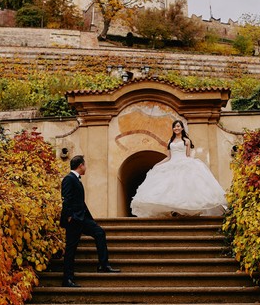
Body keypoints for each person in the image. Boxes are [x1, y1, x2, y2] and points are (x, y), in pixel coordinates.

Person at [130, 120, 228, 217]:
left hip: (183, 162)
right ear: (173, 129)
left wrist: (193, 164)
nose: (176, 128)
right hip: (172, 163)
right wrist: (158, 164)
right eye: (174, 126)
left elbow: (188, 155)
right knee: (170, 187)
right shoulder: (170, 141)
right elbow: (168, 157)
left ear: (181, 128)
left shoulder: (186, 141)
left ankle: (183, 210)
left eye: (178, 126)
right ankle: (174, 210)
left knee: (184, 186)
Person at [60, 155, 120, 287]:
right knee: (71, 249)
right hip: (74, 220)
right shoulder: (69, 179)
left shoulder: (77, 180)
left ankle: (103, 265)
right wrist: (69, 217)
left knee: (99, 233)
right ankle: (67, 279)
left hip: (83, 218)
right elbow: (66, 199)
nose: (86, 168)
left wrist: (87, 217)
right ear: (80, 165)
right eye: (85, 165)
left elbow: (79, 201)